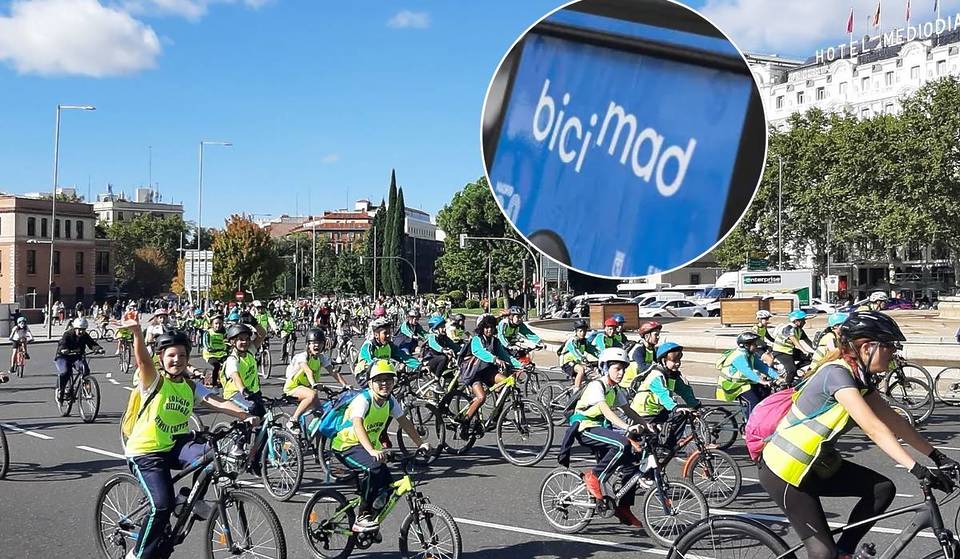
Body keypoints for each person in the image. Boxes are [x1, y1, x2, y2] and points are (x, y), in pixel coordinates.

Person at [758, 311, 958, 559]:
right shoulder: (837, 375)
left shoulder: (860, 378)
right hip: (785, 471)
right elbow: (874, 428)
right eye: (889, 345)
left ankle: (844, 552)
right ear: (867, 347)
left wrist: (938, 457)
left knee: (881, 489)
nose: (894, 352)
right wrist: (916, 469)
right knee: (822, 553)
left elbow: (895, 421)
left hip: (814, 466)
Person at [119, 317, 256, 559]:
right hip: (145, 452)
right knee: (161, 506)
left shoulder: (188, 386)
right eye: (171, 355)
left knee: (215, 457)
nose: (177, 360)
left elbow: (217, 401)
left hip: (174, 445)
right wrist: (137, 334)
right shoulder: (154, 381)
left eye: (182, 356)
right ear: (161, 358)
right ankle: (137, 554)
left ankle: (187, 498)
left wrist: (246, 415)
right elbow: (142, 361)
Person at [331, 359, 428, 533]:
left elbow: (405, 422)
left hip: (368, 448)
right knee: (373, 469)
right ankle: (362, 517)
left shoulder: (390, 401)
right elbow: (358, 425)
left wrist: (421, 444)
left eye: (388, 379)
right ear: (370, 383)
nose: (384, 384)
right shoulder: (364, 400)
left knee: (388, 488)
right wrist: (372, 450)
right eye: (379, 380)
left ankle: (370, 526)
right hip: (347, 446)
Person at [567, 347, 648, 528]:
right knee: (621, 444)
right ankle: (593, 477)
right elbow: (606, 411)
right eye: (617, 369)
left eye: (623, 369)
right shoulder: (598, 385)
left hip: (601, 428)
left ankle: (623, 508)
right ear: (605, 368)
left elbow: (629, 410)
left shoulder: (615, 389)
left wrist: (647, 426)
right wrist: (627, 427)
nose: (621, 373)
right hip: (585, 427)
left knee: (631, 464)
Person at [458, 313, 522, 439]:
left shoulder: (495, 341)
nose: (489, 330)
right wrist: (495, 359)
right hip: (473, 373)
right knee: (481, 397)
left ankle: (496, 418)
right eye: (486, 327)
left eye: (492, 327)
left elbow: (506, 356)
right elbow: (480, 352)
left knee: (507, 383)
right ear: (482, 328)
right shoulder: (476, 340)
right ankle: (465, 422)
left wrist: (521, 365)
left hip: (487, 371)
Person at [630, 342, 700, 449]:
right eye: (674, 360)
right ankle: (667, 443)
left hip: (656, 410)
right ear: (663, 360)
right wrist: (675, 408)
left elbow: (684, 390)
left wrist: (695, 405)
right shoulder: (656, 375)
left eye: (679, 360)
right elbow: (663, 395)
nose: (677, 363)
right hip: (644, 412)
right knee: (678, 414)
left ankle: (667, 441)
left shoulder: (671, 375)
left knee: (682, 415)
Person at [283, 328, 348, 434]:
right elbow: (308, 371)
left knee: (322, 414)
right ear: (308, 344)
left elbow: (333, 372)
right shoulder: (302, 357)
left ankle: (308, 435)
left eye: (320, 343)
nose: (316, 345)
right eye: (313, 343)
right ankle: (293, 420)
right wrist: (313, 383)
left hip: (307, 389)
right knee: (312, 395)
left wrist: (345, 385)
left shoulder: (321, 358)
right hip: (293, 388)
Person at [715, 332, 778, 418]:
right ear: (746, 345)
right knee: (753, 401)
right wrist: (762, 381)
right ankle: (749, 426)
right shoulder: (738, 356)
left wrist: (778, 377)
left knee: (764, 393)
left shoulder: (750, 354)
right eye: (754, 344)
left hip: (743, 383)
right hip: (733, 385)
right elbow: (747, 371)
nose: (756, 346)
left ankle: (755, 416)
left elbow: (763, 367)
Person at [221, 322, 268, 418]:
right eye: (241, 340)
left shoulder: (250, 352)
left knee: (263, 419)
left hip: (253, 393)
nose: (245, 342)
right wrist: (243, 390)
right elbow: (235, 376)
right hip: (236, 394)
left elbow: (262, 334)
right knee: (253, 412)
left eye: (247, 339)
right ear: (232, 342)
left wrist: (253, 321)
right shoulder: (232, 360)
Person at [355, 318, 420, 384]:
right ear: (376, 335)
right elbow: (370, 361)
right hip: (364, 375)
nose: (388, 335)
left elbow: (404, 357)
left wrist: (420, 366)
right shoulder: (368, 346)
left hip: (382, 372)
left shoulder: (389, 345)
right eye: (385, 333)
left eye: (389, 332)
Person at [53, 318, 104, 402]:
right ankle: (60, 390)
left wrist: (98, 349)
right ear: (75, 328)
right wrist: (64, 349)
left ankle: (87, 391)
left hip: (77, 357)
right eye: (79, 330)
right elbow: (62, 344)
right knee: (65, 372)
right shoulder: (67, 334)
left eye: (83, 330)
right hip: (63, 357)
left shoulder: (85, 335)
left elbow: (92, 344)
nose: (81, 332)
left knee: (85, 370)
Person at [772, 309, 816, 386]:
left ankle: (792, 371)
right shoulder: (789, 328)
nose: (805, 322)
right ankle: (786, 385)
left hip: (790, 351)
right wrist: (804, 350)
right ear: (796, 321)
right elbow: (793, 339)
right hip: (781, 352)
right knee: (791, 370)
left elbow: (808, 341)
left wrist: (817, 350)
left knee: (811, 357)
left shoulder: (799, 330)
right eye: (803, 320)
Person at [559, 319, 600, 387]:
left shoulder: (585, 341)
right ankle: (576, 389)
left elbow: (594, 350)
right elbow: (575, 351)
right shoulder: (572, 341)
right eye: (580, 331)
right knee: (581, 370)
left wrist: (603, 356)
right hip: (566, 362)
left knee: (591, 374)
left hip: (577, 361)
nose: (583, 333)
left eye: (584, 330)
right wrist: (583, 359)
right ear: (575, 331)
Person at [420, 316, 459, 386]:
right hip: (429, 361)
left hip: (440, 363)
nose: (444, 328)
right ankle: (436, 380)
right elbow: (433, 344)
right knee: (443, 357)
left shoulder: (444, 337)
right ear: (435, 329)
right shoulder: (432, 336)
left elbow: (454, 345)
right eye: (442, 327)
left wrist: (465, 350)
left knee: (454, 383)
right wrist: (443, 350)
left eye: (444, 326)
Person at [622, 321, 662, 389]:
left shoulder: (651, 349)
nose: (658, 337)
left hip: (638, 381)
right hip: (628, 385)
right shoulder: (638, 349)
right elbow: (642, 368)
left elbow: (655, 364)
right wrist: (659, 368)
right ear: (646, 336)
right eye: (656, 334)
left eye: (658, 334)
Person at [201, 314, 228, 389]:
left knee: (228, 363)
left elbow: (227, 342)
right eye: (216, 323)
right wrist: (209, 348)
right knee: (216, 365)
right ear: (212, 324)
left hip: (221, 353)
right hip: (210, 354)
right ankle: (214, 384)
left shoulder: (224, 333)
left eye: (220, 323)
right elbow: (205, 343)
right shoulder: (208, 333)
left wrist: (227, 347)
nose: (218, 325)